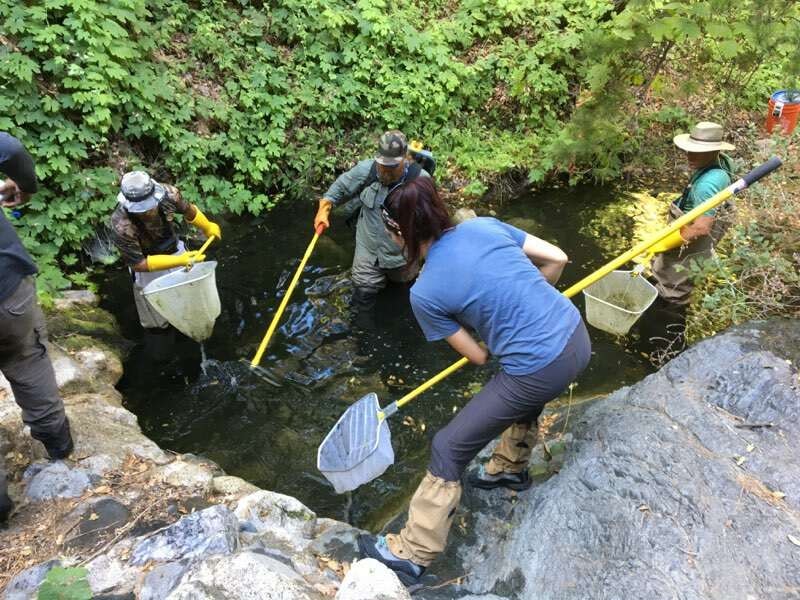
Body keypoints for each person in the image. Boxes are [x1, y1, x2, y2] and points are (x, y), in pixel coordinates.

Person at [357, 178, 592, 585]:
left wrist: (505, 329)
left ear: (402, 233)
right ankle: (510, 467)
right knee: (518, 380)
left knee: (448, 447)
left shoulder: (425, 292)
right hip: (576, 335)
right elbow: (558, 258)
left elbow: (480, 355)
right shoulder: (482, 225)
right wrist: (524, 308)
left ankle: (412, 555)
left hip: (540, 366)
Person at [0, 132, 74, 522]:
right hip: (7, 291)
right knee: (28, 361)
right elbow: (9, 149)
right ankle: (59, 449)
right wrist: (24, 187)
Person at [313, 131, 430, 326]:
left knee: (402, 302)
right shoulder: (366, 171)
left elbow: (432, 221)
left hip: (402, 255)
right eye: (382, 164)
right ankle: (363, 344)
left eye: (392, 166)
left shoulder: (421, 181)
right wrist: (323, 211)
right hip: (367, 251)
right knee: (362, 303)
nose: (385, 170)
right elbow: (337, 190)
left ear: (405, 160)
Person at [109, 171, 221, 332]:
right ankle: (161, 336)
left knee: (189, 301)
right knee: (157, 319)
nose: (147, 210)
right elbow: (138, 264)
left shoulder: (169, 194)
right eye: (141, 208)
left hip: (175, 250)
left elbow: (188, 210)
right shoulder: (121, 224)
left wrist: (207, 226)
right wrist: (180, 261)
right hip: (148, 266)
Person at [649, 121, 736, 306]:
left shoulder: (707, 185)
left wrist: (666, 244)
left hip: (689, 240)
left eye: (698, 151)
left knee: (672, 290)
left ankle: (667, 323)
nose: (690, 155)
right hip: (698, 237)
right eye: (690, 149)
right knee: (680, 278)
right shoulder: (723, 163)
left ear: (714, 151)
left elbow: (701, 228)